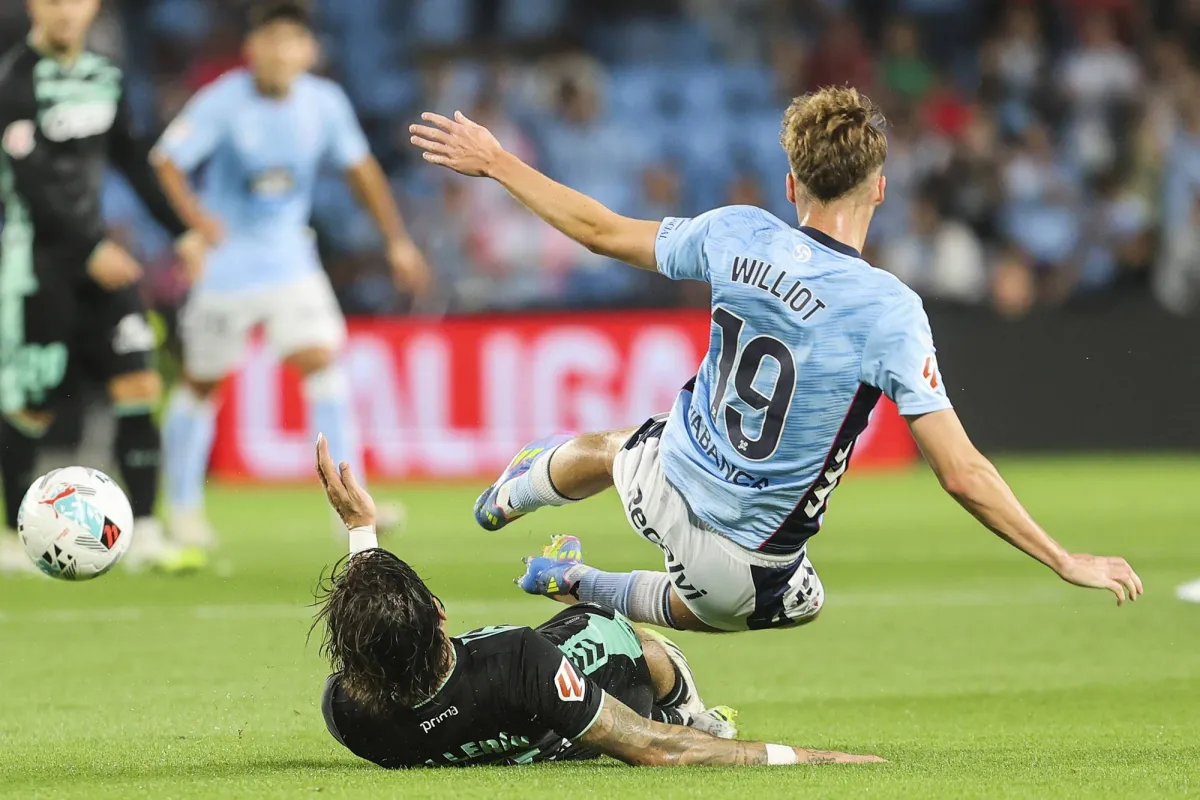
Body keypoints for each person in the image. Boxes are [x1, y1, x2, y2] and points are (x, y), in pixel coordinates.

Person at [409, 86, 1143, 634]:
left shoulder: (736, 232)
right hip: (742, 566)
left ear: (791, 186)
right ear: (880, 189)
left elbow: (600, 230)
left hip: (665, 481)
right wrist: (1062, 557)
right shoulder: (888, 310)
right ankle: (578, 582)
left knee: (616, 447)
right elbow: (961, 471)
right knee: (776, 602)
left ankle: (513, 494)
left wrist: (498, 161)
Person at [313, 434, 883, 768]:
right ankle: (689, 710)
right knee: (613, 631)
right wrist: (810, 758)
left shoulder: (350, 714)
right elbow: (656, 750)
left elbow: (376, 631)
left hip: (523, 728)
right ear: (439, 612)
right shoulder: (517, 660)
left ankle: (573, 579)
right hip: (570, 715)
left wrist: (362, 529)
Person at [152, 0, 430, 552]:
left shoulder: (323, 102)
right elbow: (166, 159)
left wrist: (397, 241)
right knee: (201, 382)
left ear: (309, 51)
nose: (281, 53)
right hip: (227, 264)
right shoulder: (223, 101)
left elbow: (361, 171)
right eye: (270, 41)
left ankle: (349, 507)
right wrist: (196, 223)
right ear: (251, 49)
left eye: (291, 41)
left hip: (289, 260)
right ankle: (181, 508)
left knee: (324, 365)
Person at [0, 0, 207, 574]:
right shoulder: (15, 82)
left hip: (100, 262)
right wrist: (89, 246)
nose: (66, 11)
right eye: (53, 0)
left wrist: (182, 230)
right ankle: (10, 537)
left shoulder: (105, 77)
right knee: (30, 404)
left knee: (139, 378)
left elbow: (132, 161)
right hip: (37, 266)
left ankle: (146, 532)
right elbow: (31, 181)